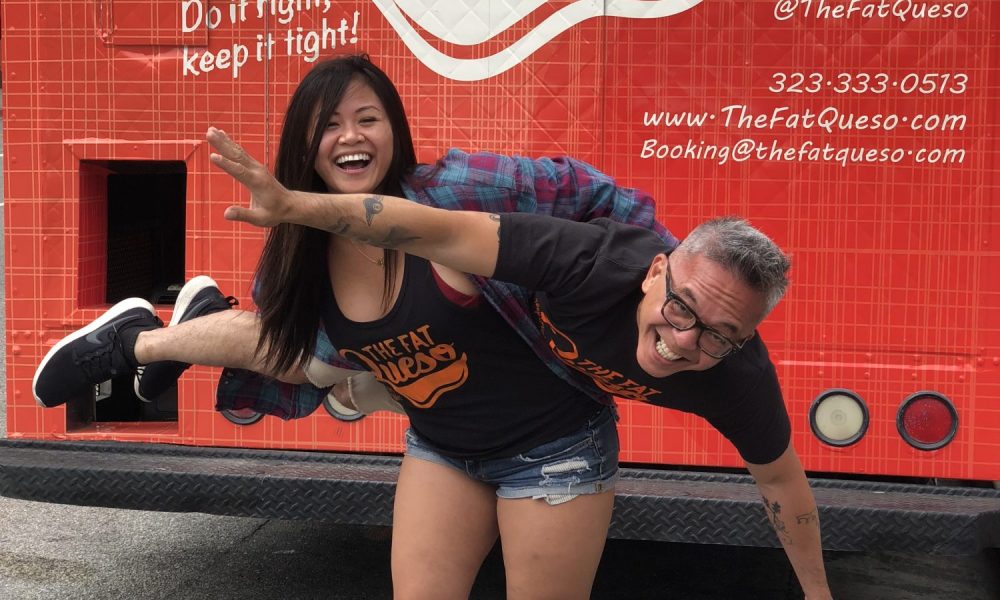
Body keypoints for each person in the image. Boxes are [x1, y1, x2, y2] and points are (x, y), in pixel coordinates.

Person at [31, 55, 832, 599]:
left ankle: (165, 339)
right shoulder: (299, 250)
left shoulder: (469, 199)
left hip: (553, 448)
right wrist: (296, 214)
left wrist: (639, 255)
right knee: (311, 354)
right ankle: (144, 339)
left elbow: (782, 484)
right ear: (304, 141)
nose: (687, 337)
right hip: (442, 439)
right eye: (331, 123)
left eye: (369, 117)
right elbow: (286, 340)